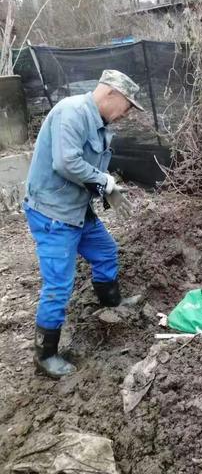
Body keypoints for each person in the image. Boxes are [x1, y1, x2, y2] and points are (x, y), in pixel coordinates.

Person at [24, 69, 144, 378]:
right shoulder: (73, 112)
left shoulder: (100, 124)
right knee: (58, 285)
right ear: (110, 95)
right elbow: (65, 163)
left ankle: (112, 303)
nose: (127, 113)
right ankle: (45, 355)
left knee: (105, 252)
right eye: (127, 105)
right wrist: (104, 181)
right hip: (53, 212)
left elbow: (88, 169)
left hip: (77, 209)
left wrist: (106, 191)